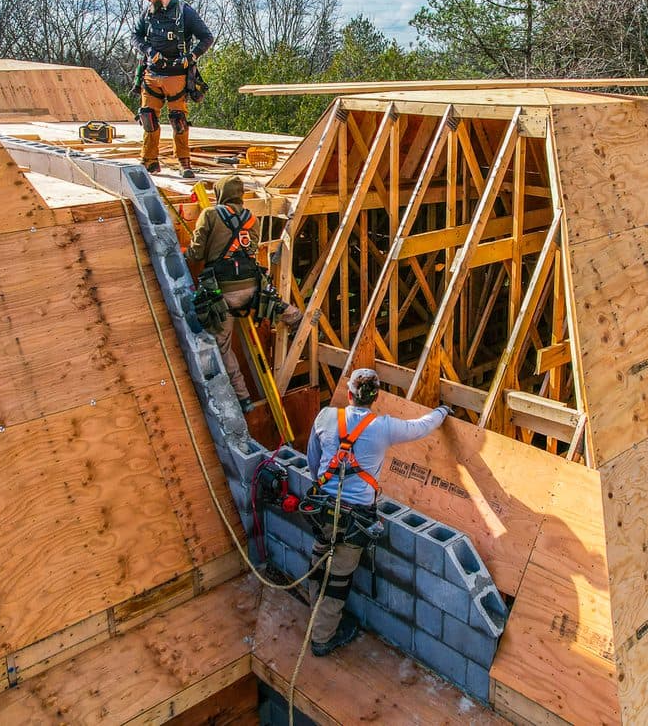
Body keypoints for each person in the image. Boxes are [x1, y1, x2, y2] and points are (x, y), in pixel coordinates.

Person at [303, 368, 451, 656]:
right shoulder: (383, 427)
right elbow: (421, 426)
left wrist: (324, 490)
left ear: (349, 394)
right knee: (337, 580)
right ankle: (321, 638)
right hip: (355, 518)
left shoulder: (325, 416)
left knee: (319, 562)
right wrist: (443, 411)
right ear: (376, 397)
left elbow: (313, 459)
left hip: (321, 509)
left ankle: (317, 617)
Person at [186, 175, 302, 411]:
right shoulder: (252, 218)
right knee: (270, 301)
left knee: (222, 345)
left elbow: (196, 254)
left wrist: (189, 251)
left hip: (223, 293)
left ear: (220, 193)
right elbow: (251, 249)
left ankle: (243, 398)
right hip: (252, 289)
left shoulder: (209, 215)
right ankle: (294, 316)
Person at [132, 0, 214, 177]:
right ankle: (149, 161)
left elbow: (207, 37)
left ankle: (184, 162)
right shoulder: (148, 14)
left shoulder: (184, 12)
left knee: (179, 120)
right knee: (148, 118)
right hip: (151, 74)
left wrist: (192, 55)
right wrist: (149, 51)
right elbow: (135, 36)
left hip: (177, 75)